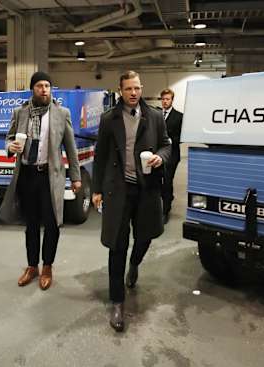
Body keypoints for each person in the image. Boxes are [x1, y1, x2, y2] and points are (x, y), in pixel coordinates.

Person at [92, 71, 171, 332]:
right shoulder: (108, 119)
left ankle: (135, 264)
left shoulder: (156, 116)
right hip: (118, 190)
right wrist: (96, 189)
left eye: (137, 88)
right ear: (120, 90)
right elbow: (100, 156)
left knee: (145, 237)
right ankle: (117, 302)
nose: (134, 93)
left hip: (147, 189)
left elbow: (167, 145)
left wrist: (161, 156)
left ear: (141, 88)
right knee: (117, 246)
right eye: (128, 89)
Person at [0, 71, 81, 290]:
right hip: (27, 175)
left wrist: (76, 177)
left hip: (49, 176)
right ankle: (32, 266)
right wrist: (10, 147)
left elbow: (71, 149)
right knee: (31, 224)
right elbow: (8, 138)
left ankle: (47, 267)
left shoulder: (62, 113)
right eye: (39, 86)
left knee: (52, 224)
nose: (44, 90)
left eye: (47, 86)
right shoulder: (20, 112)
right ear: (32, 89)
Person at [160, 88, 183, 224]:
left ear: (172, 100)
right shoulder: (157, 114)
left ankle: (165, 211)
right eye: (163, 99)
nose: (165, 101)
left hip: (172, 155)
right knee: (158, 182)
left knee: (167, 181)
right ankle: (163, 202)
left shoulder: (179, 116)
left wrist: (170, 140)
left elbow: (181, 136)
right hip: (158, 155)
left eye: (167, 99)